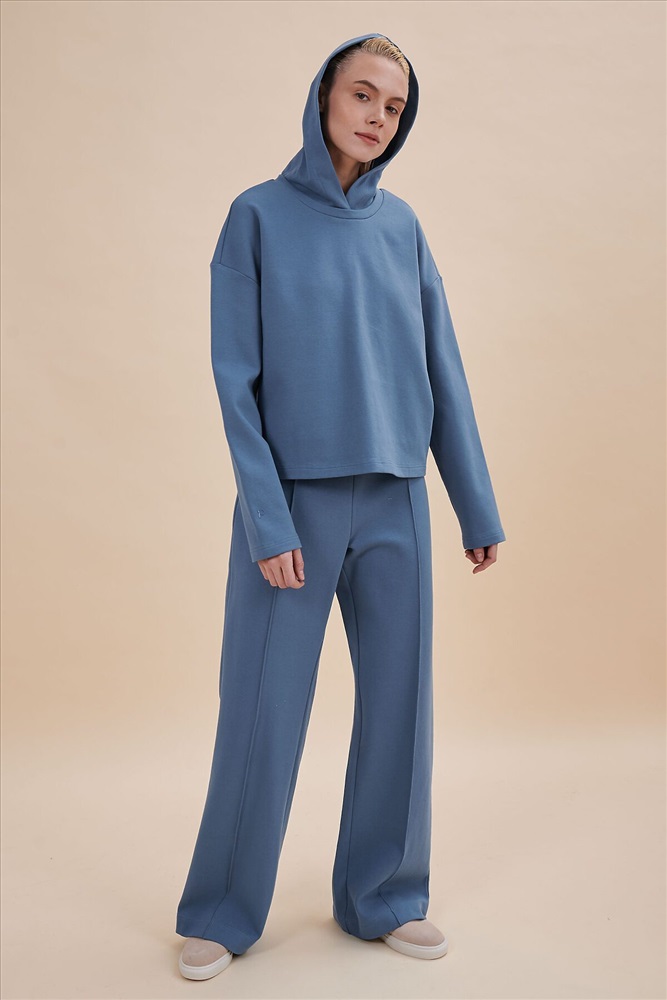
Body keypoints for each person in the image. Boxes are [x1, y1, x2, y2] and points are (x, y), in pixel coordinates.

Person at [175, 31, 506, 981]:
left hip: (396, 499)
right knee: (262, 710)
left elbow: (442, 367)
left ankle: (385, 895)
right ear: (323, 95)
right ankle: (221, 909)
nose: (376, 116)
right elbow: (234, 383)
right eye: (362, 94)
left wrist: (473, 504)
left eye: (393, 106)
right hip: (295, 508)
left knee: (401, 709)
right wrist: (267, 519)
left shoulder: (403, 229)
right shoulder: (255, 217)